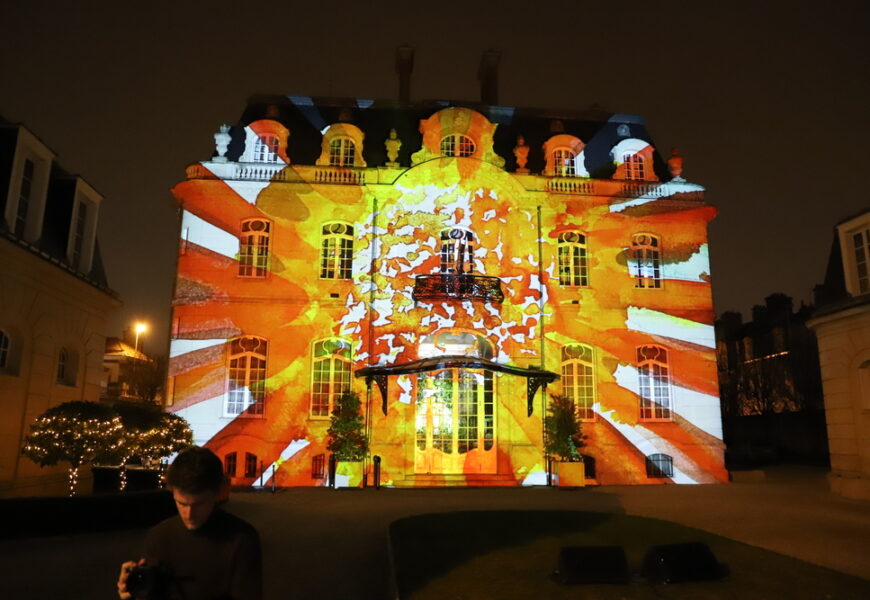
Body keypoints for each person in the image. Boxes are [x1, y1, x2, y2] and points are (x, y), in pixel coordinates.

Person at [117, 446, 262, 600]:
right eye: (182, 504)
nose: (189, 515)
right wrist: (134, 592)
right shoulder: (159, 535)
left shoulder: (241, 539)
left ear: (217, 494)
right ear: (173, 493)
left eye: (199, 504)